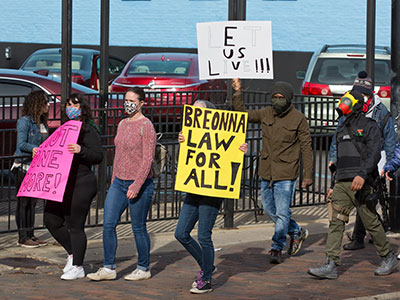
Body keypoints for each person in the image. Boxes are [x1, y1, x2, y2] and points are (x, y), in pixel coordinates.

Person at [308, 90, 398, 279]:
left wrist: (362, 175)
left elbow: (374, 154)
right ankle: (330, 264)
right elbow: (339, 159)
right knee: (336, 222)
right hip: (342, 183)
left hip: (362, 183)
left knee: (371, 221)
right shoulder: (341, 128)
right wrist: (334, 184)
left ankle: (388, 257)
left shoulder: (370, 126)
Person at [232, 79, 313, 264]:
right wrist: (238, 92)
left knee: (283, 212)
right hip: (266, 170)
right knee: (269, 209)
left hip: (286, 172)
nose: (277, 100)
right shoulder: (266, 113)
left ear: (288, 99)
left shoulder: (298, 119)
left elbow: (306, 147)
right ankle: (296, 231)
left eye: (281, 97)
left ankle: (277, 247)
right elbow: (242, 115)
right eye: (274, 97)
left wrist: (308, 175)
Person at [174, 100, 248, 294]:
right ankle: (207, 266)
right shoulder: (189, 134)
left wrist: (240, 151)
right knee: (181, 233)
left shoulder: (223, 133)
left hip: (213, 192)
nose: (195, 116)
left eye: (199, 112)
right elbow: (187, 160)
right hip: (194, 189)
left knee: (204, 235)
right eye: (193, 112)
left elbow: (230, 154)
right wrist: (182, 142)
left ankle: (206, 279)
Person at [87, 87, 156, 282]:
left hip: (139, 184)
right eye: (126, 99)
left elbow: (147, 159)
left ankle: (143, 267)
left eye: (132, 100)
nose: (128, 104)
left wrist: (137, 185)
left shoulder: (146, 126)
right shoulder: (123, 123)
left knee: (138, 227)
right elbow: (118, 155)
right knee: (108, 223)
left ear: (142, 103)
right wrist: (114, 179)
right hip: (119, 182)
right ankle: (108, 267)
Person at [328, 71, 396, 251]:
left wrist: (388, 165)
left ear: (371, 94)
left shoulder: (382, 113)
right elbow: (338, 136)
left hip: (372, 165)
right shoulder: (348, 110)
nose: (361, 98)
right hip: (351, 166)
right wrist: (333, 160)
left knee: (366, 203)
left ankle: (376, 240)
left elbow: (388, 141)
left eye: (365, 95)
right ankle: (360, 239)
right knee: (358, 205)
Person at [44, 94, 103, 280]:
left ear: (82, 107)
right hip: (63, 183)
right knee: (51, 219)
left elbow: (98, 155)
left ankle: (78, 266)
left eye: (75, 105)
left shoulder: (88, 130)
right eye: (68, 105)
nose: (71, 108)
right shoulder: (63, 128)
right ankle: (73, 253)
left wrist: (81, 150)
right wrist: (41, 151)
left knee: (75, 225)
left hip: (82, 183)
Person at [12, 90, 50, 248]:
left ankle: (31, 233)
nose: (48, 105)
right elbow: (21, 144)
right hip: (23, 165)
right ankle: (23, 236)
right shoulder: (24, 121)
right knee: (24, 202)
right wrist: (35, 149)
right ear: (37, 104)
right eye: (45, 102)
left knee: (33, 202)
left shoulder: (41, 122)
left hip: (36, 167)